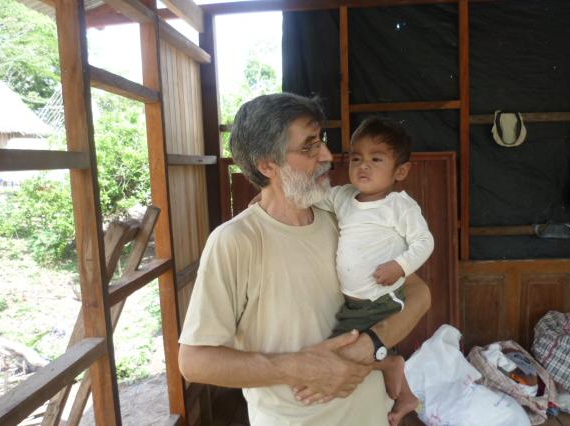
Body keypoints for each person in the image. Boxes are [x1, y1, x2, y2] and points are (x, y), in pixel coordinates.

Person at [178, 93, 431, 426]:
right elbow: (194, 361)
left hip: (372, 415)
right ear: (267, 164)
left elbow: (418, 293)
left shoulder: (342, 218)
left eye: (321, 141)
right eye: (309, 146)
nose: (327, 155)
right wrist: (296, 367)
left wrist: (373, 344)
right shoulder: (237, 241)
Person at [317, 117, 434, 426]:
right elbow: (311, 197)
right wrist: (265, 197)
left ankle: (391, 365)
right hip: (354, 301)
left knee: (342, 351)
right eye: (356, 158)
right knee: (353, 349)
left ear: (401, 171)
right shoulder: (343, 197)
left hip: (380, 298)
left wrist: (400, 266)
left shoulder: (399, 206)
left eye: (376, 159)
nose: (363, 166)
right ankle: (400, 381)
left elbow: (424, 242)